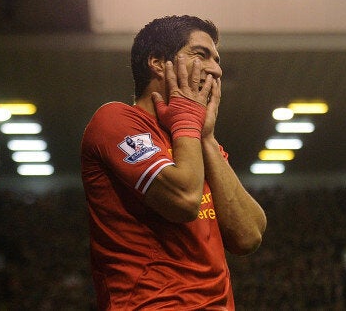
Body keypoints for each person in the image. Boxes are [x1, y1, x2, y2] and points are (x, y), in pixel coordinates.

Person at [81, 15, 267, 310]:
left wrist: (205, 137)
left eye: (217, 60)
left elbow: (249, 236)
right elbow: (184, 200)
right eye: (201, 55)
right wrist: (186, 123)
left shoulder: (195, 139)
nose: (216, 70)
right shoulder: (114, 120)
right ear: (157, 62)